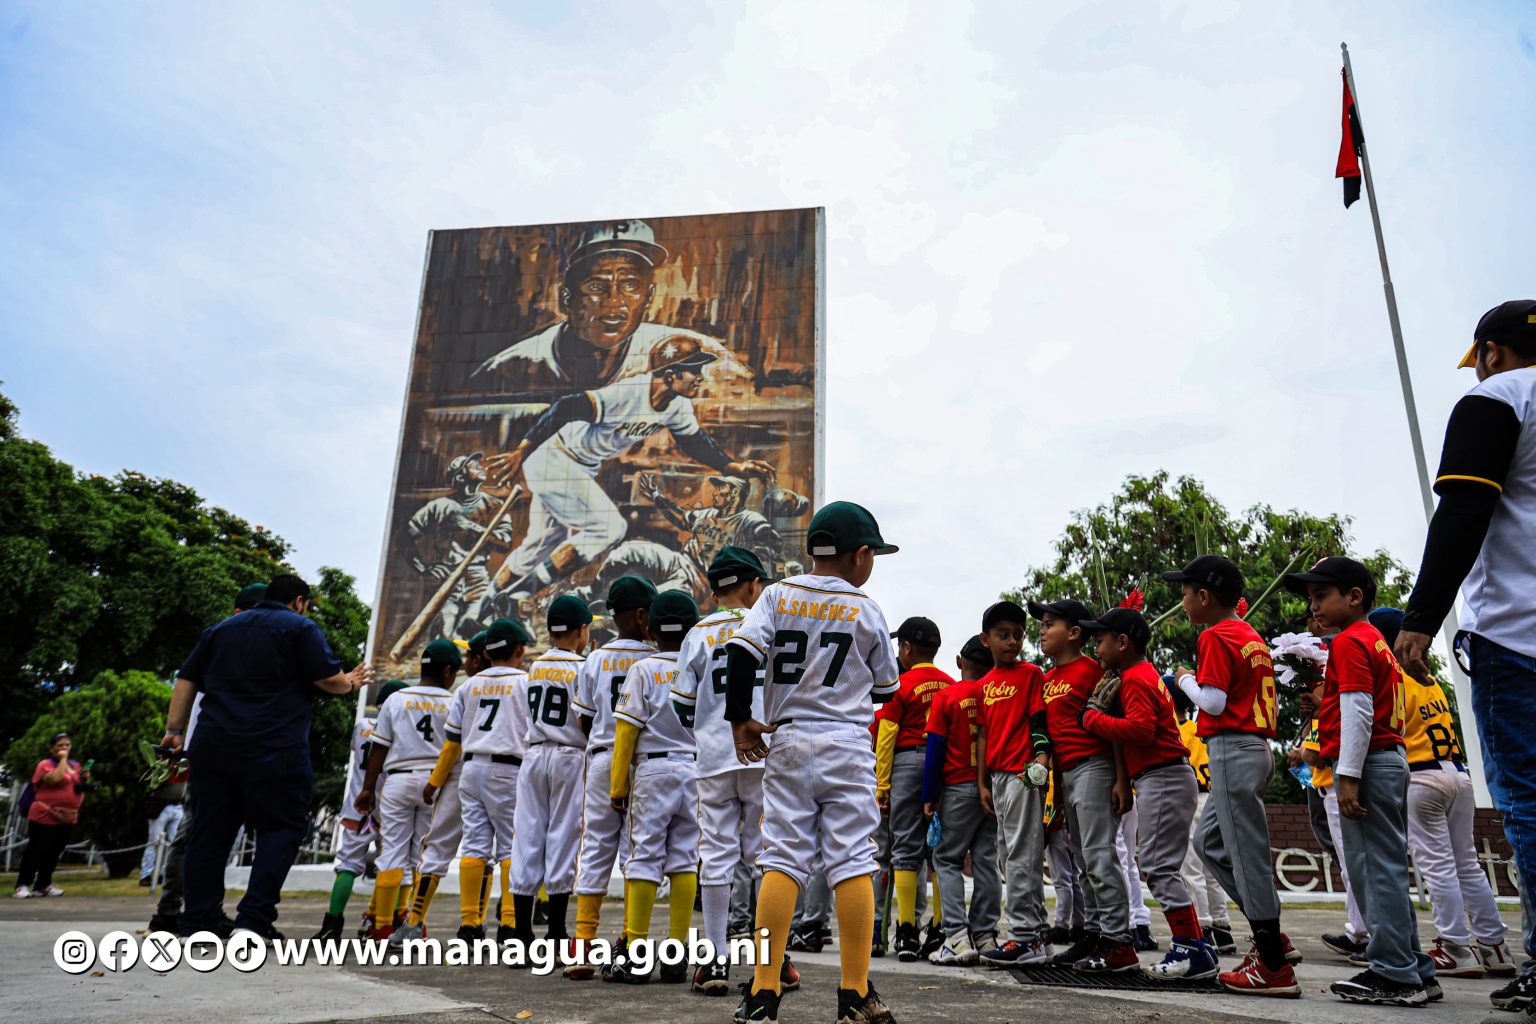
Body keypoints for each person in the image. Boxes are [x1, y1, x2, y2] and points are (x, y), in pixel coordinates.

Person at [1393, 299, 1536, 1022]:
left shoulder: (1498, 396)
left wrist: (1420, 618)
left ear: (1490, 352)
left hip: (1518, 634)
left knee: (1528, 802)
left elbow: (1464, 510)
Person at [724, 500, 902, 1024]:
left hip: (788, 738)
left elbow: (741, 653)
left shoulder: (777, 594)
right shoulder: (866, 607)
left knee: (782, 858)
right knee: (852, 859)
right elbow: (886, 690)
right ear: (861, 555)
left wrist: (739, 718)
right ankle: (855, 993)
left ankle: (763, 991)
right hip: (845, 741)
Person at [163, 573, 371, 939]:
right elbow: (329, 680)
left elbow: (186, 680)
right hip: (275, 746)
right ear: (299, 602)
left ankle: (199, 920)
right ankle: (253, 919)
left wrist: (174, 730)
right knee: (282, 827)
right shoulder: (300, 628)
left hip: (214, 746)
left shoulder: (219, 630)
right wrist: (351, 682)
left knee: (209, 833)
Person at [485, 337, 772, 602]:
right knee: (608, 527)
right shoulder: (629, 392)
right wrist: (523, 450)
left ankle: (482, 606)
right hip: (555, 458)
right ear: (669, 375)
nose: (700, 376)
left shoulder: (678, 406)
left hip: (580, 466)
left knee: (540, 546)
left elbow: (694, 441)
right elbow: (565, 407)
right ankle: (517, 595)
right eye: (693, 370)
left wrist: (732, 466)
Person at [1286, 557, 1436, 1005]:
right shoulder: (1373, 641)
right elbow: (1353, 704)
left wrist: (1347, 775)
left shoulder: (1351, 640)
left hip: (1368, 763)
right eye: (1311, 598)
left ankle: (1394, 973)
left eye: (1322, 596)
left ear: (1354, 597)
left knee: (1373, 873)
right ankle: (1415, 968)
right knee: (1386, 870)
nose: (1314, 606)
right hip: (1386, 759)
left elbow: (1358, 708)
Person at [1163, 555, 1298, 996]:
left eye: (1186, 593)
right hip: (1253, 748)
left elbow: (1214, 703)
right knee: (1209, 843)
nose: (1183, 601)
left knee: (1245, 854)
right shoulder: (1248, 634)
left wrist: (1183, 679)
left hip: (1233, 747)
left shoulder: (1215, 634)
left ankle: (1273, 965)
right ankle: (1271, 935)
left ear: (1204, 596)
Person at [672, 547, 795, 996]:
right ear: (752, 585)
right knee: (766, 854)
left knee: (716, 853)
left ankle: (715, 959)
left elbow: (682, 705)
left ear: (714, 591)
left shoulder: (697, 633)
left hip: (713, 757)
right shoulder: (769, 624)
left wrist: (709, 732)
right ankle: (774, 960)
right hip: (763, 753)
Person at [1368, 606, 1515, 979]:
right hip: (1456, 774)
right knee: (1467, 864)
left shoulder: (1392, 677)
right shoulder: (1427, 677)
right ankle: (1495, 946)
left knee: (1438, 866)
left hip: (1421, 776)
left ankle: (1455, 947)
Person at [1079, 607, 1217, 980]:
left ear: (1123, 642)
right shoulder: (1138, 674)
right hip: (1161, 776)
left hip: (1164, 775)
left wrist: (1093, 718)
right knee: (1161, 866)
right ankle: (1196, 945)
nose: (1097, 649)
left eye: (1101, 641)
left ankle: (1190, 948)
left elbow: (1140, 731)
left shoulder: (1137, 679)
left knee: (1158, 867)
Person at [147, 581, 266, 934]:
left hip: (227, 752)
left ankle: (198, 910)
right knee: (194, 834)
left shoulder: (242, 649)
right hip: (208, 754)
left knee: (211, 837)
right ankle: (172, 911)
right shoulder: (218, 641)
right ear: (238, 613)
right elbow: (186, 688)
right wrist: (176, 735)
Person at [606, 589, 704, 984]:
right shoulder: (699, 666)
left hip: (653, 769)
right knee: (685, 858)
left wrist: (618, 786)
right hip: (694, 768)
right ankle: (676, 953)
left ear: (652, 631)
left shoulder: (643, 669)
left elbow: (626, 733)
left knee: (644, 856)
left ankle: (636, 953)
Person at [1033, 598, 1136, 974]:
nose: (1042, 631)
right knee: (1082, 860)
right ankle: (1093, 935)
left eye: (1050, 624)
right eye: (1042, 625)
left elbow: (1113, 728)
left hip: (1096, 767)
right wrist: (1058, 795)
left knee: (1098, 856)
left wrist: (1122, 779)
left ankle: (1119, 942)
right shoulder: (1048, 679)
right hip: (1068, 776)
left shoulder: (1094, 671)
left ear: (1075, 633)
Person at [568, 576, 657, 978]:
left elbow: (584, 719)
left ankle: (583, 944)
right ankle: (627, 939)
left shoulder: (596, 658)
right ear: (640, 615)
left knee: (595, 849)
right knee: (636, 854)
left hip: (604, 756)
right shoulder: (657, 658)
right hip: (645, 761)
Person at [429, 619, 534, 943]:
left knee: (474, 845)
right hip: (509, 769)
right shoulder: (526, 682)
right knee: (511, 846)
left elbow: (453, 737)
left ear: (486, 653)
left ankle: (469, 924)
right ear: (520, 650)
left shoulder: (468, 686)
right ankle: (509, 922)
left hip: (472, 768)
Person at [354, 639, 460, 941]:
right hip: (434, 784)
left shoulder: (396, 699)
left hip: (397, 781)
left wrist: (368, 789)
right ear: (448, 671)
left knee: (392, 852)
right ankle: (412, 920)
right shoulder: (454, 702)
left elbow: (379, 747)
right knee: (423, 855)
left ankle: (382, 925)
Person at [508, 595, 592, 948]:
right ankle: (556, 931)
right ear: (582, 630)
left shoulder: (535, 667)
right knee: (563, 836)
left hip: (534, 754)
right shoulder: (582, 667)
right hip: (569, 755)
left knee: (527, 836)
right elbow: (586, 719)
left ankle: (522, 932)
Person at [972, 601, 1053, 968]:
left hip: (1023, 774)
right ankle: (1037, 936)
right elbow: (983, 735)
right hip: (998, 777)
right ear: (985, 639)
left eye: (1018, 635)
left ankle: (1025, 935)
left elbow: (1039, 721)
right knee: (1009, 855)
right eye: (1003, 635)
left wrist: (1041, 761)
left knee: (1023, 855)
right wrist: (983, 782)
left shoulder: (1031, 674)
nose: (1012, 642)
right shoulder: (983, 684)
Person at [873, 616, 952, 962]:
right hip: (942, 764)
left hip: (906, 763)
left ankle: (906, 930)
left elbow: (886, 735)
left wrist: (883, 785)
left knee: (904, 846)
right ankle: (939, 927)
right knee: (938, 849)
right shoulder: (949, 684)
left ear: (906, 649)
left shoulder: (900, 685)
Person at [922, 624, 1001, 966]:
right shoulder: (994, 695)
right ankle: (985, 934)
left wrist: (929, 794)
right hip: (992, 787)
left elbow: (935, 749)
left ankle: (955, 936)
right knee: (986, 860)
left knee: (947, 859)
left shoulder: (948, 697)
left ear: (959, 661)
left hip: (958, 787)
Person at [314, 679, 408, 941]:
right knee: (393, 864)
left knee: (347, 865)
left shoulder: (362, 726)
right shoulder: (401, 730)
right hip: (389, 809)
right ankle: (384, 921)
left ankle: (332, 925)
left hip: (358, 808)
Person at [1172, 687, 1235, 954]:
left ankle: (1204, 927)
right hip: (1211, 797)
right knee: (1211, 869)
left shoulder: (1177, 729)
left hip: (1190, 798)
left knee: (1191, 869)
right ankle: (1222, 928)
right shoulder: (1200, 729)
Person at [14, 733, 88, 898]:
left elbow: (78, 786)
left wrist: (85, 779)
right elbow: (55, 779)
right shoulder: (45, 765)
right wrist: (63, 760)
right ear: (52, 748)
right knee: (36, 849)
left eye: (67, 745)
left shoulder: (75, 765)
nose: (64, 748)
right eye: (60, 745)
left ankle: (43, 884)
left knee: (54, 851)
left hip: (68, 816)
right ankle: (22, 884)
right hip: (45, 814)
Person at [139, 783, 184, 887]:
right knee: (154, 843)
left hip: (178, 805)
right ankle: (146, 875)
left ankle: (165, 874)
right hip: (160, 805)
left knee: (173, 844)